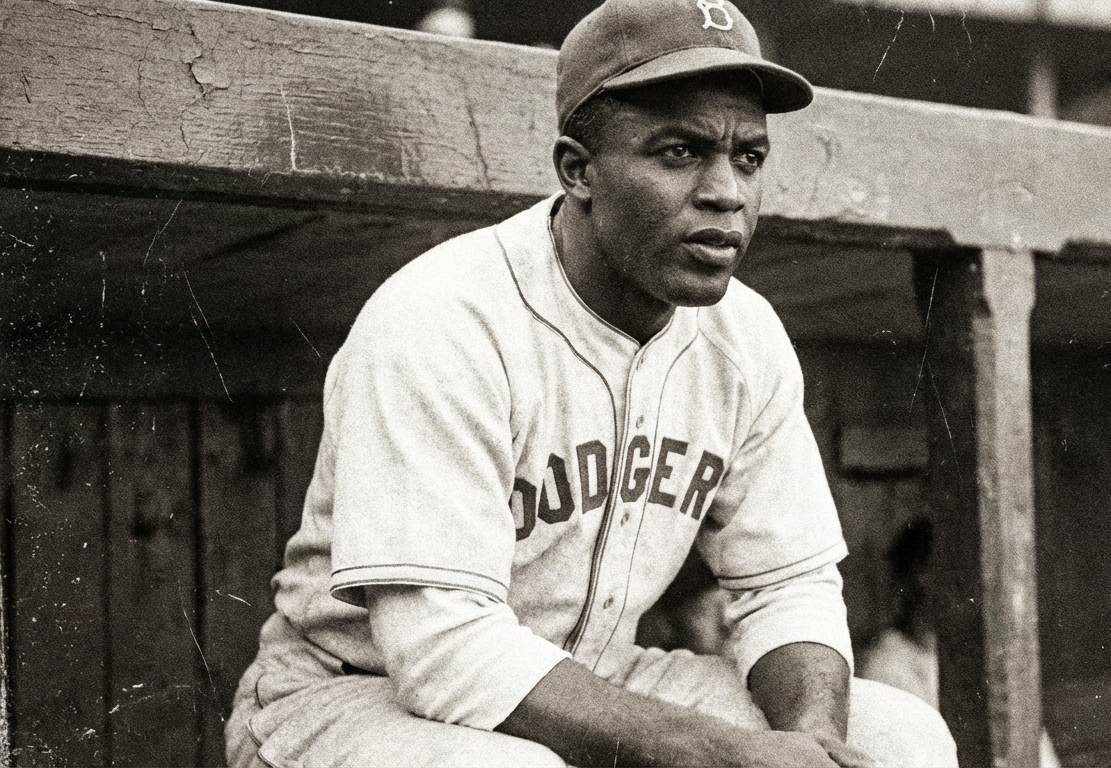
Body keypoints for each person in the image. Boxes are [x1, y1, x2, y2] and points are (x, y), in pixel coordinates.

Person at [225, 1, 957, 766]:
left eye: (748, 157)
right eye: (680, 152)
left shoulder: (746, 335)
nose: (727, 193)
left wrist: (812, 744)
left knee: (899, 736)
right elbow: (441, 645)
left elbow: (788, 584)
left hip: (593, 674)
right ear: (578, 170)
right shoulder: (444, 315)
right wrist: (719, 754)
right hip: (348, 693)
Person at [858, 520, 1058, 767]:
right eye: (959, 570)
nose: (973, 584)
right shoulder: (889, 667)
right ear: (921, 575)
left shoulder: (980, 657)